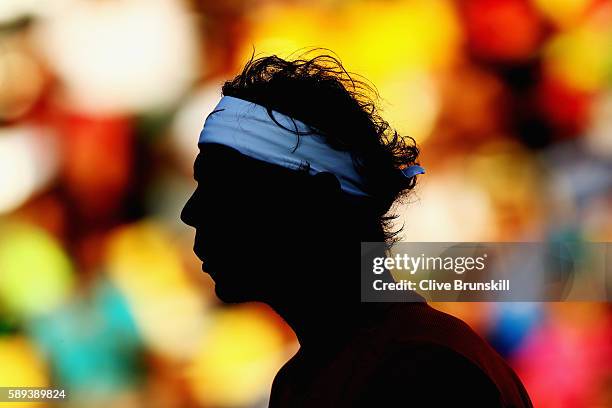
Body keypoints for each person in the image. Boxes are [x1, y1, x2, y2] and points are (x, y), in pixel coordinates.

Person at [181, 53, 533, 407]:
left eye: (221, 190)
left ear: (313, 206)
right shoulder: (310, 376)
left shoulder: (422, 372)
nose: (190, 213)